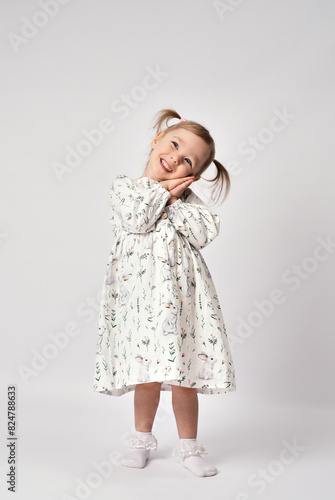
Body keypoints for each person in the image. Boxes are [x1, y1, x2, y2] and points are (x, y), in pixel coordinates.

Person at [93, 108, 237, 477]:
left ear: (193, 175)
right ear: (157, 140)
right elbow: (138, 218)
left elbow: (205, 233)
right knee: (147, 374)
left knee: (184, 374)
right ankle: (141, 440)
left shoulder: (187, 202)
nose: (174, 157)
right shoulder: (126, 188)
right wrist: (161, 192)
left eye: (187, 159)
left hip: (183, 302)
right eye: (174, 144)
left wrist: (175, 200)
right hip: (140, 300)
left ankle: (188, 448)